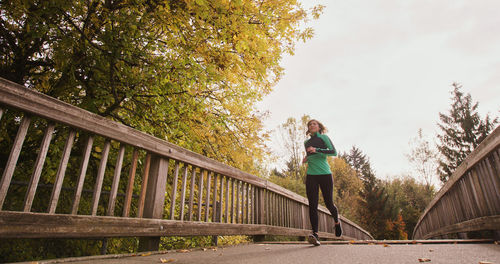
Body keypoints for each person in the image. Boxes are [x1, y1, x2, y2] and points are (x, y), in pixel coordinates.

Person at [302, 119, 342, 246]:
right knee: (312, 204)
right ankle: (315, 234)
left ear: (319, 127)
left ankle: (336, 222)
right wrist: (307, 158)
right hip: (311, 175)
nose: (312, 125)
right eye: (310, 124)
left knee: (329, 203)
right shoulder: (306, 142)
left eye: (314, 124)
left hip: (325, 174)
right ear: (308, 129)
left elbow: (333, 152)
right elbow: (311, 155)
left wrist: (317, 150)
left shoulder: (324, 138)